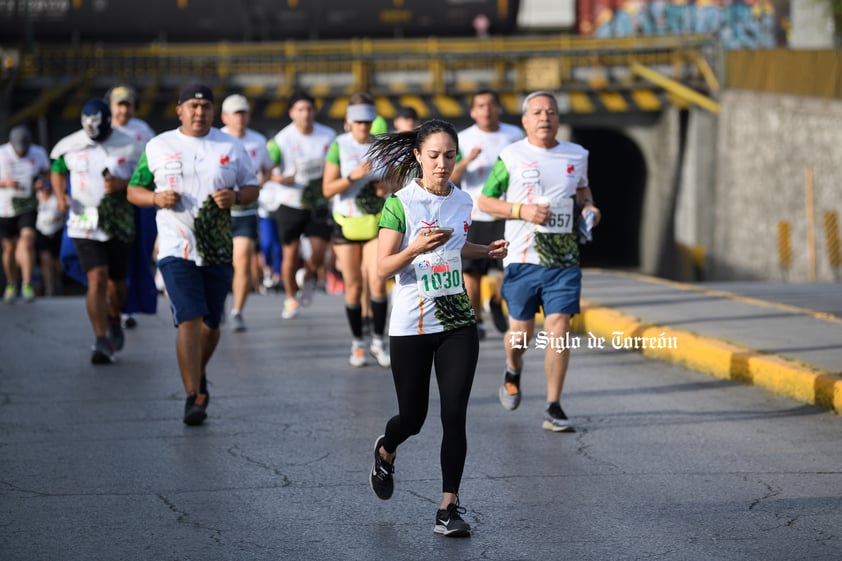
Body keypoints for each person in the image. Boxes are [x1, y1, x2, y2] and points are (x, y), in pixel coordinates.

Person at [365, 119, 508, 537]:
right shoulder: (400, 203)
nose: (442, 164)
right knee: (413, 417)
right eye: (434, 156)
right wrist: (414, 248)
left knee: (454, 414)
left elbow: (455, 245)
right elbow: (382, 268)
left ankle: (448, 507)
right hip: (411, 324)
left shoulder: (463, 201)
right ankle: (386, 449)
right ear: (417, 157)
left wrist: (486, 249)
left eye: (449, 155)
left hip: (456, 320)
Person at [127, 83, 259, 426]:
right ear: (180, 110)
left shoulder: (230, 145)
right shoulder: (158, 145)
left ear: (213, 112)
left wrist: (236, 196)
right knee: (189, 318)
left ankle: (196, 370)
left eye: (205, 106)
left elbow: (252, 186)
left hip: (216, 247)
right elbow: (133, 189)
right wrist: (155, 199)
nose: (200, 112)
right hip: (176, 246)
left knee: (212, 326)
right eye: (193, 106)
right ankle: (193, 396)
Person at [477, 90, 601, 432]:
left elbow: (583, 191)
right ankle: (513, 368)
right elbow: (486, 201)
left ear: (558, 119)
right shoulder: (511, 156)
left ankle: (553, 406)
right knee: (520, 336)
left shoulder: (577, 154)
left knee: (559, 329)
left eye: (551, 112)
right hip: (521, 258)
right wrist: (522, 210)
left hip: (563, 259)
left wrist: (590, 209)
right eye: (537, 112)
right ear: (525, 121)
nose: (545, 117)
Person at [50, 99, 143, 363]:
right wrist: (60, 196)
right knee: (97, 278)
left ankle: (114, 316)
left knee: (117, 284)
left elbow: (145, 178)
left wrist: (124, 184)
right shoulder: (70, 145)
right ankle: (101, 340)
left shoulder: (131, 144)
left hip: (118, 221)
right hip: (83, 221)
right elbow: (57, 169)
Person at [322, 93, 392, 368]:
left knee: (377, 280)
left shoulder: (382, 146)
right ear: (348, 122)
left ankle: (378, 340)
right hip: (346, 222)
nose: (363, 127)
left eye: (367, 121)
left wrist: (384, 186)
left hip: (376, 222)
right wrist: (354, 176)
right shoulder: (338, 146)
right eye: (358, 122)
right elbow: (327, 188)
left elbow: (395, 182)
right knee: (353, 287)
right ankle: (358, 343)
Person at [451, 90, 523, 339]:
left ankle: (496, 300)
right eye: (481, 105)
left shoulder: (514, 135)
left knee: (509, 267)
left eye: (491, 105)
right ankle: (476, 319)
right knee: (472, 272)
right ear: (473, 111)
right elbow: (451, 176)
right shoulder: (463, 139)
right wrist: (468, 159)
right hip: (475, 213)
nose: (486, 110)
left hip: (506, 211)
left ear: (499, 108)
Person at [267, 90, 336, 319]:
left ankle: (306, 275)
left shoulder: (328, 136)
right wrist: (281, 178)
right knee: (291, 253)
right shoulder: (281, 140)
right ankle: (290, 298)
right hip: (290, 202)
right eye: (300, 110)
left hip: (318, 203)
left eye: (309, 109)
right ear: (291, 113)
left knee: (319, 253)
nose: (305, 114)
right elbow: (266, 172)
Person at [220, 93, 272, 332]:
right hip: (219, 213)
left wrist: (259, 183)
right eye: (235, 113)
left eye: (243, 112)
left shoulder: (258, 141)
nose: (239, 117)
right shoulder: (216, 139)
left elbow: (268, 169)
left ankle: (237, 311)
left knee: (241, 260)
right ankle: (218, 302)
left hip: (246, 211)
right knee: (220, 261)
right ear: (225, 117)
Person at [108, 84, 158, 329]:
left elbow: (154, 165)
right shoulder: (102, 130)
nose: (123, 109)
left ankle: (130, 306)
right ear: (111, 107)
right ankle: (114, 304)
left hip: (138, 199)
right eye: (119, 104)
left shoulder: (143, 130)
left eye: (128, 104)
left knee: (139, 251)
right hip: (113, 203)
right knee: (117, 254)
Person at [0, 126, 50, 303]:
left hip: (28, 205)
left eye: (24, 149)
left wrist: (42, 183)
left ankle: (27, 284)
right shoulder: (2, 154)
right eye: (18, 150)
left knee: (27, 241)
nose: (21, 153)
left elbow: (46, 173)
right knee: (8, 247)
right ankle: (11, 283)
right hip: (5, 207)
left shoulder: (38, 153)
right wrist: (5, 183)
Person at [35, 182, 66, 296]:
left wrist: (59, 216)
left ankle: (58, 283)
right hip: (42, 231)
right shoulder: (37, 197)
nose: (45, 191)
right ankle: (49, 288)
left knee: (56, 262)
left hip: (56, 231)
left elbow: (64, 208)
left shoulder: (56, 197)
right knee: (45, 259)